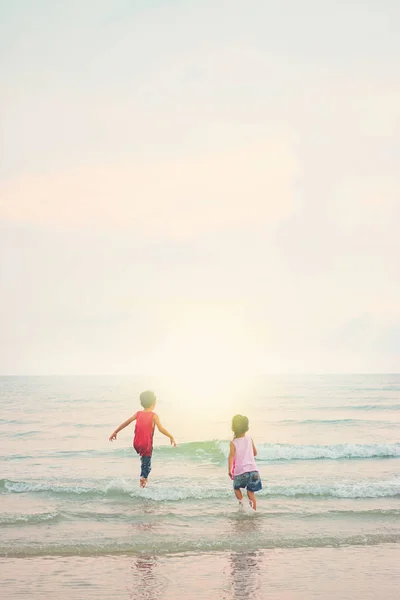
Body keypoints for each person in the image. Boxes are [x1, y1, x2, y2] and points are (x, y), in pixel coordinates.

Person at [109, 390, 176, 487]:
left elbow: (126, 422)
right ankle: (142, 486)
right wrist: (171, 436)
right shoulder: (154, 415)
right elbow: (161, 429)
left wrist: (115, 432)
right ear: (154, 403)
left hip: (137, 443)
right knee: (147, 468)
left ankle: (143, 481)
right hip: (146, 445)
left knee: (144, 461)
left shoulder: (138, 413)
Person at [228, 414, 262, 510]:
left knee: (236, 487)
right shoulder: (249, 439)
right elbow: (255, 453)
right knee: (251, 493)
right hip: (254, 471)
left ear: (233, 428)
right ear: (246, 428)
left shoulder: (233, 443)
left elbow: (231, 456)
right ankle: (253, 511)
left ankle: (242, 505)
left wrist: (230, 470)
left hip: (241, 472)